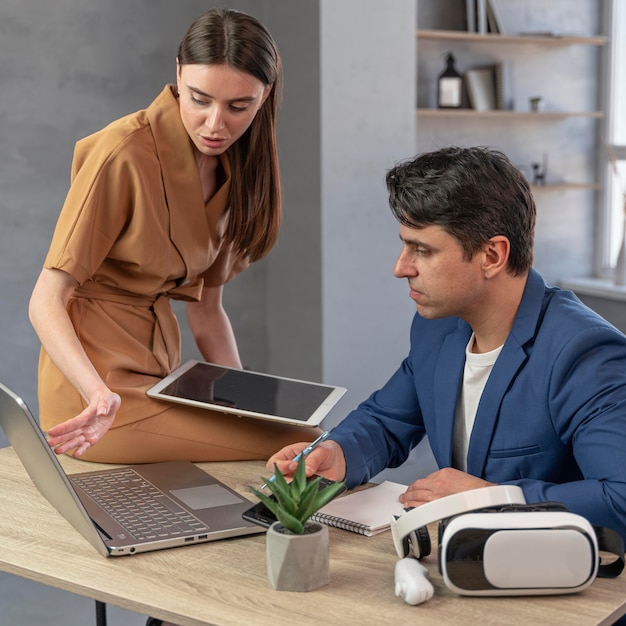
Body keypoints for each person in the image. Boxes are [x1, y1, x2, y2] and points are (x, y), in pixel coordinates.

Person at [268, 145, 626, 543]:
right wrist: (337, 453)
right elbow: (388, 420)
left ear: (492, 254)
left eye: (422, 249)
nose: (401, 267)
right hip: (469, 565)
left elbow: (621, 499)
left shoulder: (585, 353)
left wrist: (494, 499)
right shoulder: (438, 328)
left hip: (566, 582)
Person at [29, 8, 318, 464]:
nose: (215, 124)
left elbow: (207, 312)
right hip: (97, 395)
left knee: (302, 435)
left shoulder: (234, 171)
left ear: (265, 97)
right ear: (178, 74)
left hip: (160, 375)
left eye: (238, 107)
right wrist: (97, 395)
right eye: (200, 99)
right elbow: (46, 298)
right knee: (306, 444)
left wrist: (246, 402)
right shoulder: (123, 151)